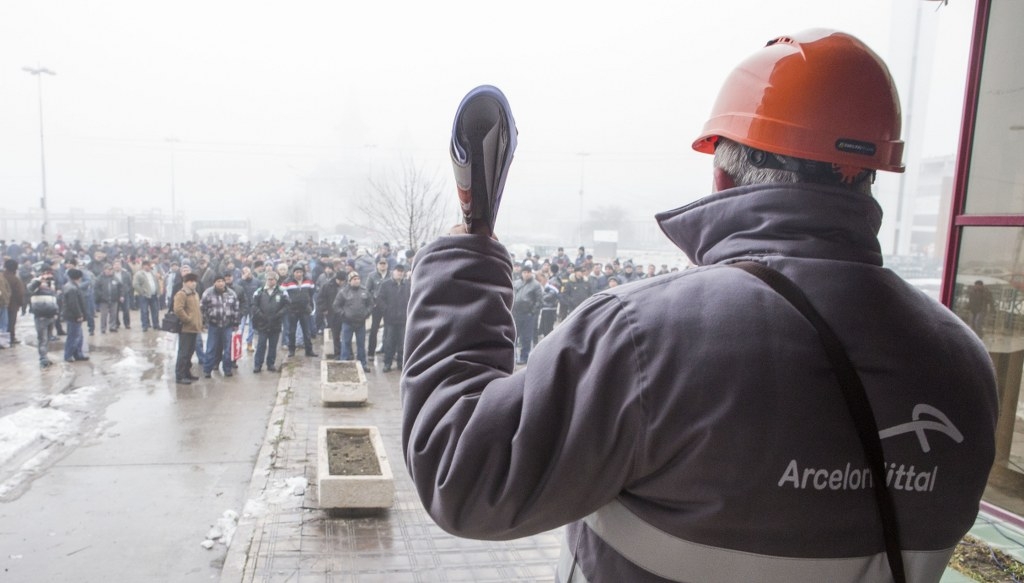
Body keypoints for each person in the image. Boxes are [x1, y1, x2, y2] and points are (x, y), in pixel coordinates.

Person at [400, 30, 998, 582]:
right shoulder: (965, 367)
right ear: (869, 175)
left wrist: (466, 258)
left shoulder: (646, 337)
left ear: (723, 175)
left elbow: (462, 472)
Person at [200, 273, 241, 378]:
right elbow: (202, 308)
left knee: (228, 349)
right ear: (214, 283)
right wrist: (204, 322)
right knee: (211, 348)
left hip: (227, 325)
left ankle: (227, 369)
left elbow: (236, 309)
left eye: (222, 281)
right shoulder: (208, 293)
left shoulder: (231, 293)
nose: (221, 283)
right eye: (218, 281)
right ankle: (207, 370)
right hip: (213, 325)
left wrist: (236, 323)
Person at [333, 270, 373, 370]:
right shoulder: (343, 292)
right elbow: (336, 306)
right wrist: (344, 314)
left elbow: (371, 304)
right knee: (345, 343)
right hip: (347, 323)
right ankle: (344, 364)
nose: (357, 281)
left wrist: (366, 313)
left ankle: (362, 364)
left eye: (358, 279)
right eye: (354, 279)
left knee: (361, 344)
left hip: (361, 323)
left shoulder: (364, 291)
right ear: (349, 281)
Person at [251, 271, 288, 373]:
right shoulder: (259, 291)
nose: (270, 281)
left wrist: (279, 314)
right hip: (262, 323)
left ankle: (270, 364)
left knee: (273, 345)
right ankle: (258, 365)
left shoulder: (282, 291)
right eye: (268, 279)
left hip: (275, 323)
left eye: (272, 279)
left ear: (276, 280)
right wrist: (260, 315)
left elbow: (287, 305)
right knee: (261, 345)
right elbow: (254, 305)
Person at [377, 263, 409, 372]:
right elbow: (380, 299)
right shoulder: (385, 284)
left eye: (401, 271)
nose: (399, 273)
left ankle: (401, 363)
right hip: (390, 320)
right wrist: (386, 310)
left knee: (402, 343)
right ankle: (387, 363)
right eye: (398, 271)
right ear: (393, 272)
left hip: (403, 320)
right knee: (389, 342)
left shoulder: (407, 285)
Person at [281, 264, 317, 358]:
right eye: (297, 272)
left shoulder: (308, 281)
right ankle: (291, 350)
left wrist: (309, 304)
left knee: (306, 331)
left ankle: (309, 350)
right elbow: (282, 295)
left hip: (304, 309)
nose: (299, 274)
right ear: (293, 273)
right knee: (291, 331)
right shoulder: (287, 282)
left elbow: (312, 292)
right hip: (292, 310)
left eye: (300, 272)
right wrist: (288, 305)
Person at [173, 272, 202, 384]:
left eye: (194, 281)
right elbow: (178, 309)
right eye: (190, 281)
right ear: (185, 282)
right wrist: (187, 319)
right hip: (186, 328)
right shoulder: (182, 294)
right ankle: (179, 375)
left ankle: (186, 373)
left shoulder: (195, 294)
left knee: (190, 352)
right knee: (183, 353)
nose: (193, 283)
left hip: (194, 328)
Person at [26, 268, 59, 367]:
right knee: (42, 339)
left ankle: (46, 357)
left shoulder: (51, 285)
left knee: (48, 338)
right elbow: (30, 288)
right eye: (45, 274)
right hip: (41, 316)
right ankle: (43, 359)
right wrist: (39, 279)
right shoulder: (35, 285)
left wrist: (56, 312)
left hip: (51, 315)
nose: (47, 277)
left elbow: (54, 300)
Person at [511, 263, 541, 364]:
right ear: (521, 273)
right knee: (514, 336)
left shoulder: (536, 285)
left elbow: (539, 301)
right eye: (524, 272)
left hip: (528, 315)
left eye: (528, 272)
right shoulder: (516, 283)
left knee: (526, 338)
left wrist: (532, 312)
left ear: (531, 273)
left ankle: (524, 357)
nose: (526, 274)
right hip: (516, 314)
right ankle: (512, 357)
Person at [61, 268, 89, 363]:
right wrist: (79, 315)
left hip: (72, 315)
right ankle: (68, 355)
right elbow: (74, 304)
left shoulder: (70, 286)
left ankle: (78, 354)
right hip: (73, 316)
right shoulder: (72, 288)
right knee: (73, 337)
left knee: (78, 336)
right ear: (79, 277)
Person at [365, 258, 390, 361]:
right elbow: (367, 290)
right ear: (377, 265)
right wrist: (373, 302)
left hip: (388, 306)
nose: (383, 266)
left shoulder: (391, 275)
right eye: (381, 264)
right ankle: (371, 352)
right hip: (376, 306)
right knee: (374, 329)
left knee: (389, 330)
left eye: (384, 264)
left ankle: (387, 351)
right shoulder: (372, 276)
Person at [94, 263, 123, 334]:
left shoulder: (115, 278)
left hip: (114, 299)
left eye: (111, 269)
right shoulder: (99, 278)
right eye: (108, 269)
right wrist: (101, 296)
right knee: (104, 315)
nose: (110, 271)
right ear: (104, 270)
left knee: (113, 314)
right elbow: (96, 289)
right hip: (103, 301)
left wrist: (121, 296)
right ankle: (103, 328)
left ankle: (112, 327)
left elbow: (120, 287)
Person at [132, 260, 160, 331]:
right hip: (144, 296)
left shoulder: (153, 273)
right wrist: (142, 291)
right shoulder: (139, 274)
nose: (148, 267)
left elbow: (156, 282)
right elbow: (135, 284)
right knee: (144, 311)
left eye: (149, 265)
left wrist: (158, 291)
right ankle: (145, 325)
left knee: (155, 310)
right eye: (147, 265)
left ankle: (156, 325)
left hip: (153, 295)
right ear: (143, 266)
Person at [3, 259, 26, 346]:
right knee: (11, 323)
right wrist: (21, 303)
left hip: (2, 304)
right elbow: (20, 293)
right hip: (13, 305)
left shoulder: (2, 276)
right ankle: (10, 339)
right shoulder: (15, 279)